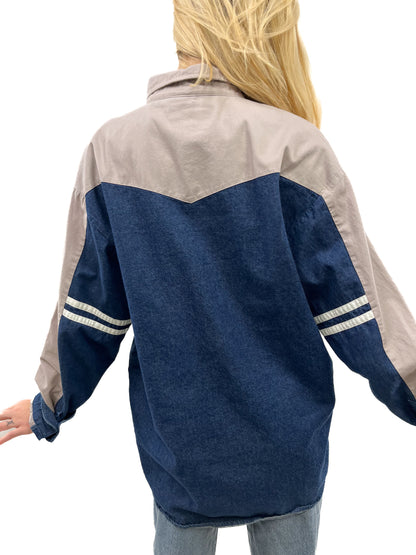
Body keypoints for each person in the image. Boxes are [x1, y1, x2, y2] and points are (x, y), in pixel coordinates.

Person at [1, 1, 416, 553]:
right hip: (286, 450)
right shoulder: (293, 146)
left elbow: (90, 312)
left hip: (180, 455)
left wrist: (48, 404)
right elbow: (360, 313)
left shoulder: (112, 148)